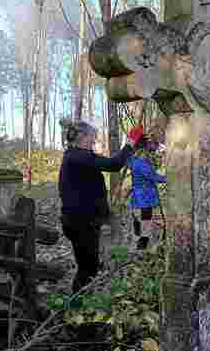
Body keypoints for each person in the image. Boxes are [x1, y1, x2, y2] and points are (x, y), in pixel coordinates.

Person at [58, 120, 143, 294]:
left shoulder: (74, 156)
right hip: (81, 223)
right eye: (92, 137)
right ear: (81, 137)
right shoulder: (79, 157)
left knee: (88, 265)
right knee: (87, 268)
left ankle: (81, 301)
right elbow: (114, 164)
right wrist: (130, 143)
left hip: (80, 220)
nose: (94, 141)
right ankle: (77, 305)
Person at [127, 135, 166, 250]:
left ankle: (142, 242)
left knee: (144, 220)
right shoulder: (140, 162)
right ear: (144, 147)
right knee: (144, 224)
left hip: (141, 196)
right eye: (150, 144)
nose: (153, 147)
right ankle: (142, 246)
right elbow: (153, 176)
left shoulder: (135, 159)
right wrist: (170, 178)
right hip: (144, 196)